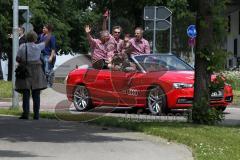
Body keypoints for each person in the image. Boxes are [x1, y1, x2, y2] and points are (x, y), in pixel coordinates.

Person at [15, 31, 50, 120]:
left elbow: (17, 58)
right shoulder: (38, 46)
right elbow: (46, 41)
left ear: (27, 38)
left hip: (25, 70)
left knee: (26, 93)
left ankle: (26, 113)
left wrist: (23, 61)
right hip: (37, 71)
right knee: (36, 94)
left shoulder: (22, 46)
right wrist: (49, 32)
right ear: (35, 38)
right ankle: (36, 115)